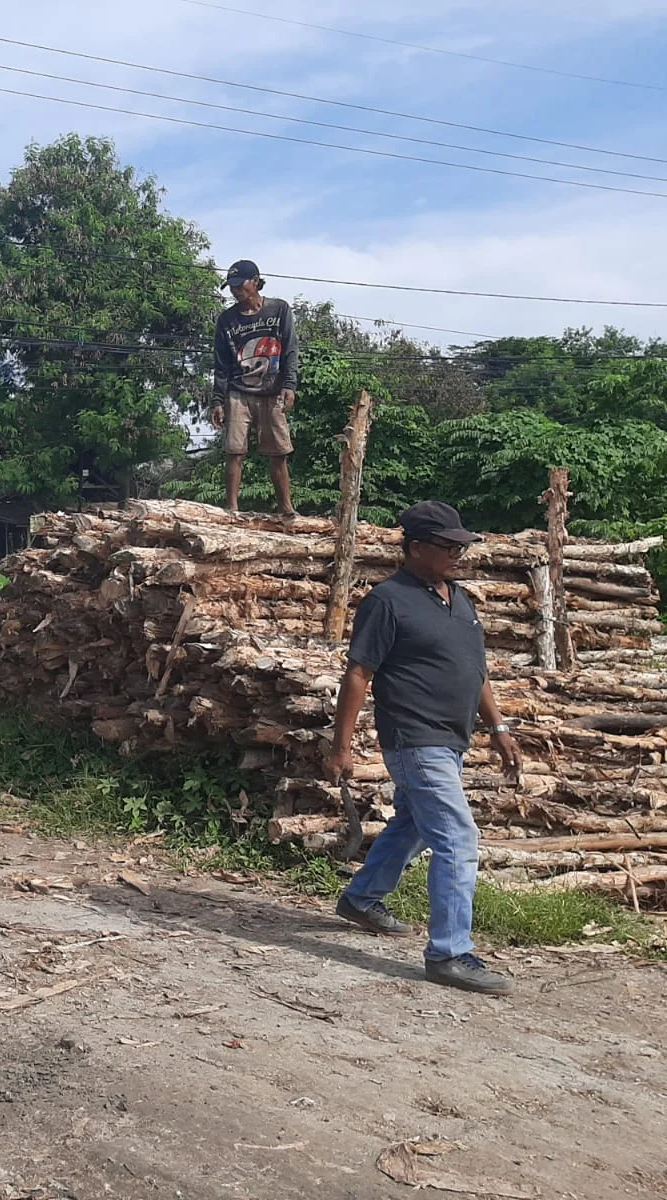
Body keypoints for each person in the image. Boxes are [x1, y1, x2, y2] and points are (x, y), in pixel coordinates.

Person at [326, 501, 523, 995]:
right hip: (415, 739)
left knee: (414, 823)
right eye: (448, 546)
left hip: (452, 738)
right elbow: (359, 674)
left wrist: (498, 729)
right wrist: (341, 747)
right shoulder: (387, 601)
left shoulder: (460, 600)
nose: (460, 553)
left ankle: (362, 899)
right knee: (457, 838)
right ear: (415, 548)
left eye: (462, 545)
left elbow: (475, 672)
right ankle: (450, 953)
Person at [211, 259, 299, 516]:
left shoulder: (279, 310)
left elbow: (290, 350)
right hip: (238, 392)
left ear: (256, 281)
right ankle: (232, 510)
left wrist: (289, 385)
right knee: (234, 451)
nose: (236, 291)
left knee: (279, 452)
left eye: (241, 285)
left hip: (272, 390)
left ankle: (286, 509)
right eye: (232, 287)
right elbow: (221, 364)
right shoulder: (226, 320)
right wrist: (218, 400)